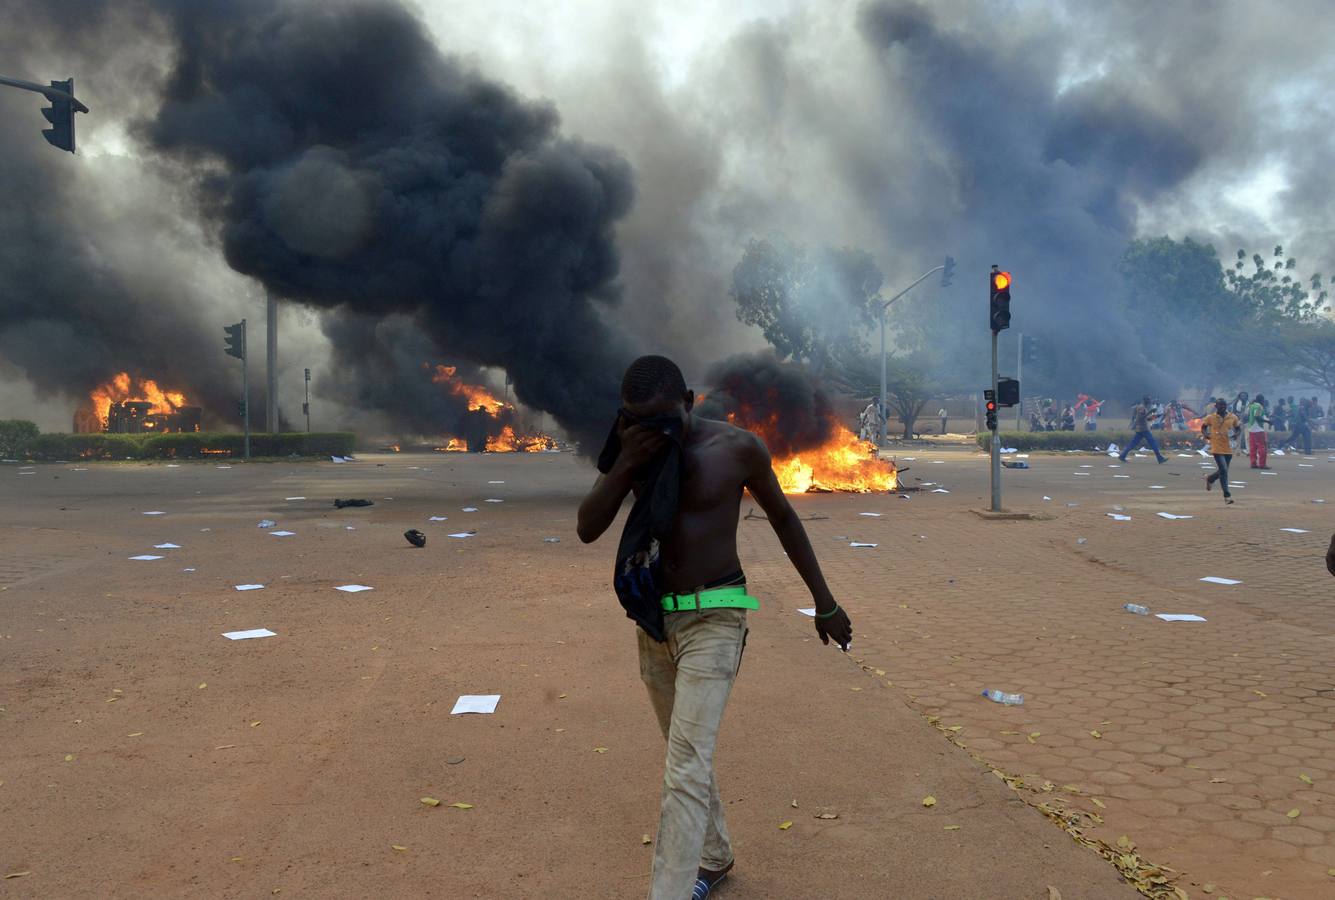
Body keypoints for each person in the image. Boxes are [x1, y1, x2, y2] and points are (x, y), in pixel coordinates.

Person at [577, 355, 853, 900]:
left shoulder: (737, 448)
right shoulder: (636, 450)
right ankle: (716, 857)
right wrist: (626, 461)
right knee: (685, 752)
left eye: (663, 418)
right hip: (655, 618)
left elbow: (784, 518)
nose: (654, 429)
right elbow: (588, 527)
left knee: (685, 763)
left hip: (718, 613)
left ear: (688, 402)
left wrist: (825, 602)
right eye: (638, 419)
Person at [1201, 398, 1241, 504]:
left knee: (1223, 471)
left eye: (1224, 405)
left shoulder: (1232, 417)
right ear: (1216, 406)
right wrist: (1206, 434)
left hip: (1228, 447)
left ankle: (1210, 479)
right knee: (1223, 469)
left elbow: (1238, 428)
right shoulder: (1211, 417)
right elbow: (1203, 427)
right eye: (1220, 405)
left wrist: (1236, 434)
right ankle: (1227, 496)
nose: (1223, 407)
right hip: (1216, 446)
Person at [1120, 395, 1167, 463]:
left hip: (1141, 429)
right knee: (1153, 443)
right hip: (1143, 429)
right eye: (1149, 400)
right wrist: (1150, 412)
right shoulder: (1141, 407)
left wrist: (1156, 416)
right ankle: (1160, 458)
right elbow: (1140, 418)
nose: (1150, 401)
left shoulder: (1143, 407)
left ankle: (1122, 456)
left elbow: (1146, 418)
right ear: (1145, 400)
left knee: (1133, 444)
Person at [1245, 394, 1270, 469]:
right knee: (1262, 447)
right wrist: (1268, 421)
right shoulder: (1259, 406)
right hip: (1258, 429)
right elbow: (1257, 416)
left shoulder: (1251, 406)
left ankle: (1253, 463)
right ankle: (1262, 464)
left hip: (1251, 429)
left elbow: (1247, 415)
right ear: (1262, 400)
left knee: (1253, 447)